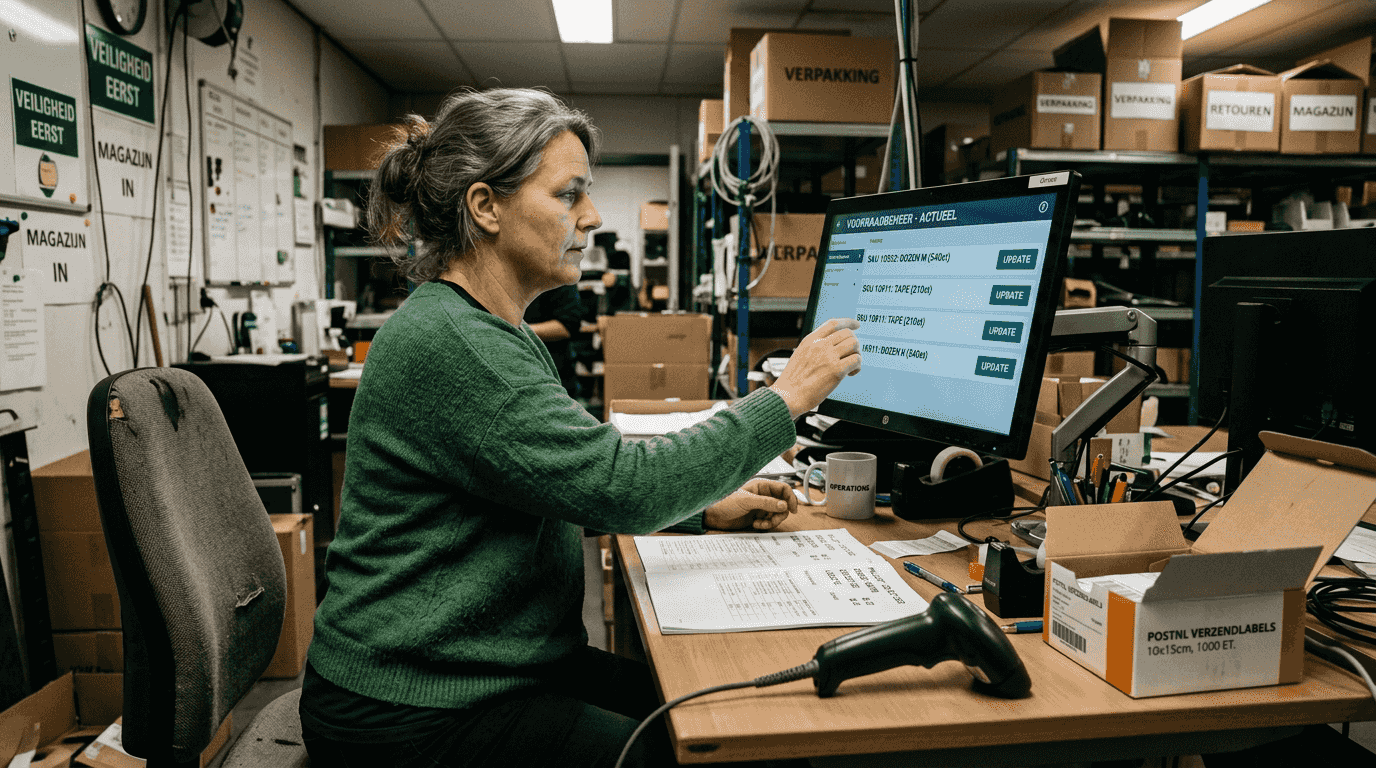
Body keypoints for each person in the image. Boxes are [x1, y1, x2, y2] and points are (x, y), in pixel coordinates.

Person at [300, 87, 862, 768]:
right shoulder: (457, 343)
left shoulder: (493, 331)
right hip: (415, 707)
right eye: (569, 195)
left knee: (725, 709)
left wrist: (699, 513)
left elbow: (567, 475)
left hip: (494, 669)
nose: (592, 218)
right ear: (485, 207)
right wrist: (787, 396)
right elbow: (625, 486)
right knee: (704, 750)